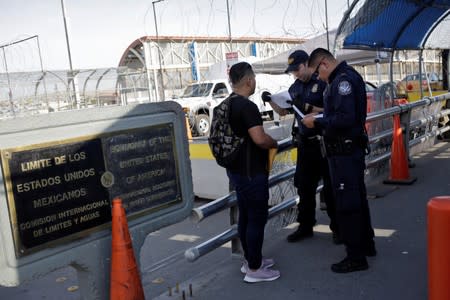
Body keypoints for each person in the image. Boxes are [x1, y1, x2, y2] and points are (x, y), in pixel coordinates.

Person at [302, 48, 376, 273]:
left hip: (344, 152)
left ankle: (355, 256)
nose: (317, 77)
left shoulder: (342, 82)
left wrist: (317, 122)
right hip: (348, 151)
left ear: (323, 64)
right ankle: (366, 245)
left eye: (316, 73)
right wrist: (320, 117)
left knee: (348, 204)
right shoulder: (345, 77)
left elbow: (345, 118)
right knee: (358, 200)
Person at [264, 50, 339, 244]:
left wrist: (308, 108)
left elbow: (332, 111)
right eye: (293, 71)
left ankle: (338, 228)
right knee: (304, 188)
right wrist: (270, 100)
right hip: (305, 145)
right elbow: (283, 110)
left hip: (323, 142)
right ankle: (305, 226)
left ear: (307, 64)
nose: (295, 74)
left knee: (330, 189)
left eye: (297, 69)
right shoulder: (295, 88)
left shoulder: (323, 82)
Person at [226, 61, 280, 283]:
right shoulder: (247, 107)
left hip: (236, 171)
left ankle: (250, 259)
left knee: (246, 216)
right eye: (254, 78)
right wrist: (272, 141)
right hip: (251, 172)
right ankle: (255, 270)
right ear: (249, 80)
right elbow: (259, 138)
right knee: (256, 218)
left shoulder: (226, 104)